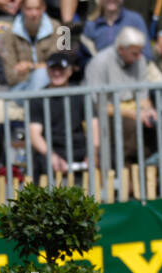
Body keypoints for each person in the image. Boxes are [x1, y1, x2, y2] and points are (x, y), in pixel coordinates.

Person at [83, 24, 162, 162]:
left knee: (154, 123)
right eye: (134, 53)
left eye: (140, 52)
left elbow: (143, 97)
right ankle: (127, 171)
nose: (139, 57)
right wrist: (133, 114)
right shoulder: (99, 63)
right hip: (105, 114)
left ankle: (152, 169)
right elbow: (98, 107)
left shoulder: (140, 60)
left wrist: (148, 111)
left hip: (132, 110)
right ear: (121, 49)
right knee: (130, 125)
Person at [28, 49, 97, 180]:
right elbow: (35, 135)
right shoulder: (37, 98)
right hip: (51, 149)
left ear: (70, 71)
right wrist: (52, 157)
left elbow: (94, 126)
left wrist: (92, 153)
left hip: (78, 148)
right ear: (47, 72)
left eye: (61, 69)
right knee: (41, 164)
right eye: (53, 69)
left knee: (106, 157)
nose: (57, 73)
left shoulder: (80, 95)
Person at [0, 0, 57, 91]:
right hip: (20, 88)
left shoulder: (57, 28)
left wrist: (30, 67)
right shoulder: (10, 33)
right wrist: (41, 67)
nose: (34, 14)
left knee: (41, 74)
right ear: (21, 8)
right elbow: (11, 77)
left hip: (51, 86)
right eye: (29, 9)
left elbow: (58, 66)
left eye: (37, 8)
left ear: (44, 8)